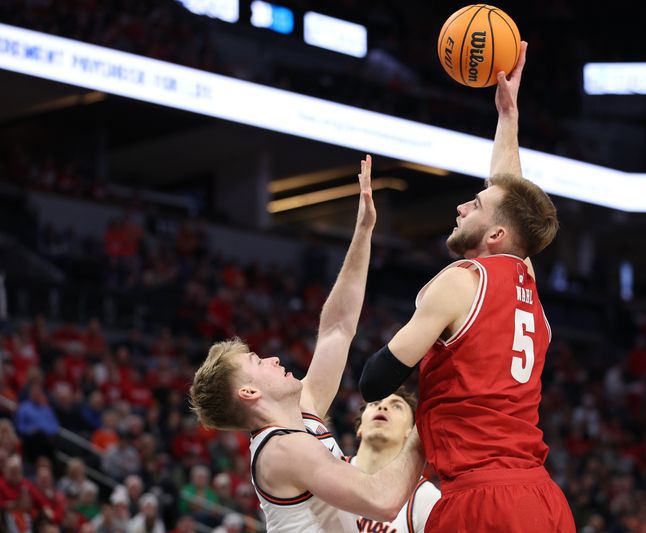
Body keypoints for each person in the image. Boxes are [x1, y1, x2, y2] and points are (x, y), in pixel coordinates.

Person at [359, 43, 576, 532]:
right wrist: (507, 114)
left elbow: (374, 382)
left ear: (495, 235)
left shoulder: (461, 281)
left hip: (481, 499)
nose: (461, 207)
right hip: (543, 498)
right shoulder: (528, 286)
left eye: (473, 206)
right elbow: (509, 194)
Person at [190, 156, 425, 533]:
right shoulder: (281, 450)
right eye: (257, 361)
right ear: (249, 392)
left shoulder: (303, 412)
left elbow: (336, 327)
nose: (272, 357)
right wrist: (429, 419)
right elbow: (382, 501)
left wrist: (363, 231)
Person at [347, 387, 440, 533]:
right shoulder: (329, 467)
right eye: (374, 403)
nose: (382, 406)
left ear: (411, 432)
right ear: (360, 427)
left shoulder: (425, 497)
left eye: (397, 406)